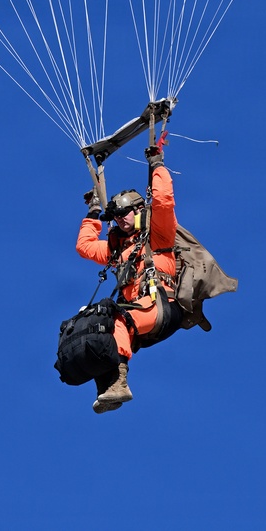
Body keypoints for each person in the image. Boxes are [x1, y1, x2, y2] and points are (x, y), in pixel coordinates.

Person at [76, 132, 183, 413]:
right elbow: (85, 247)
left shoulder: (158, 235)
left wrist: (157, 165)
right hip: (139, 312)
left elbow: (163, 201)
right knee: (97, 327)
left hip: (161, 306)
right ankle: (108, 390)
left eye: (125, 213)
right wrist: (93, 212)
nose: (121, 220)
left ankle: (119, 384)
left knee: (115, 319)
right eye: (116, 216)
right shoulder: (119, 250)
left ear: (138, 210)